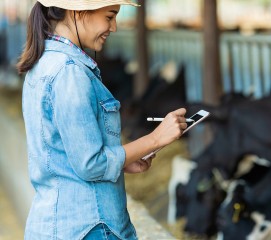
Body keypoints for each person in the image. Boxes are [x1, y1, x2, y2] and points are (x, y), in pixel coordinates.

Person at [17, 1, 188, 239]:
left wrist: (124, 161)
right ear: (78, 12)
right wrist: (156, 138)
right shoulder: (69, 72)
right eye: (109, 16)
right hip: (90, 227)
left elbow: (64, 152)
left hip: (57, 223)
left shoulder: (43, 62)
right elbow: (91, 164)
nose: (114, 27)